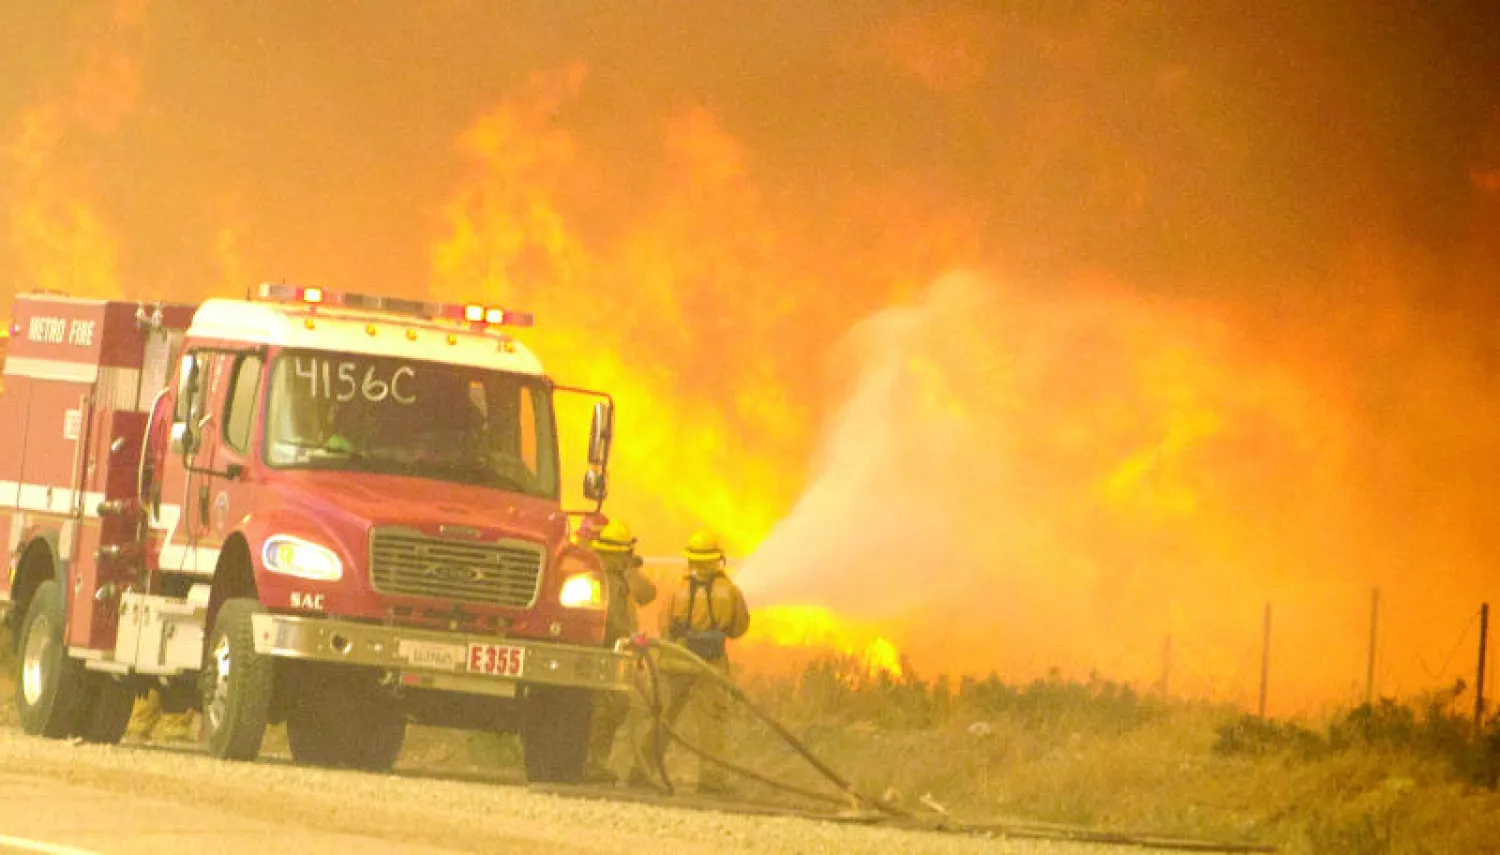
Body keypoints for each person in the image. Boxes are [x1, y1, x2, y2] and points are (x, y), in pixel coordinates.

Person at [612, 530, 749, 795]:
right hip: (709, 666)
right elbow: (739, 627)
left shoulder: (678, 590)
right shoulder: (729, 591)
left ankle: (641, 771)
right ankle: (712, 780)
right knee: (711, 722)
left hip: (675, 663)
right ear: (716, 559)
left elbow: (665, 627)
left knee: (662, 718)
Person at [582, 520, 657, 783]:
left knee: (616, 706)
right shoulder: (602, 578)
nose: (629, 557)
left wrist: (631, 570)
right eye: (626, 552)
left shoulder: (618, 576)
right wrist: (629, 638)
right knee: (606, 707)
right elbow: (611, 621)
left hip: (616, 653)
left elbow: (648, 594)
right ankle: (590, 762)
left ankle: (594, 761)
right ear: (615, 552)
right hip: (604, 653)